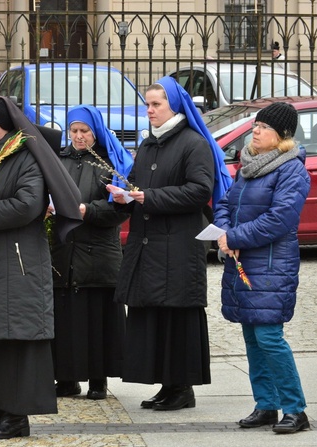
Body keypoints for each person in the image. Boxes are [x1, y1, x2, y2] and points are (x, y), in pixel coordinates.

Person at [0, 96, 83, 439]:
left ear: (7, 128)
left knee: (15, 339)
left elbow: (27, 205)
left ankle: (16, 415)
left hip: (18, 260)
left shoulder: (27, 156)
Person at [108, 76, 232, 411]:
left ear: (174, 106)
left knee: (177, 318)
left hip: (178, 246)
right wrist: (125, 195)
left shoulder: (193, 143)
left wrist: (149, 197)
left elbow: (199, 191)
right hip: (149, 246)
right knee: (155, 316)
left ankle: (182, 387)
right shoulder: (149, 144)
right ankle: (166, 384)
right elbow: (138, 183)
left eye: (155, 104)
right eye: (146, 104)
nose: (148, 110)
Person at [214, 102, 311, 434]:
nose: (255, 130)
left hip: (272, 265)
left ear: (281, 136)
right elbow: (225, 203)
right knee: (252, 337)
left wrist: (236, 235)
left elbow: (280, 219)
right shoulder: (248, 166)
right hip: (244, 261)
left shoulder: (291, 170)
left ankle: (295, 409)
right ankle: (266, 405)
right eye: (256, 125)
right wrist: (226, 232)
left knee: (269, 337)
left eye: (264, 127)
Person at [50, 105, 132, 400]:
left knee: (98, 319)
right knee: (66, 318)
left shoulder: (110, 162)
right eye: (74, 131)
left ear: (95, 132)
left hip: (97, 251)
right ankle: (66, 378)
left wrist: (88, 210)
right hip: (64, 249)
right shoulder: (59, 159)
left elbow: (121, 207)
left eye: (84, 131)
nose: (78, 136)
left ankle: (98, 379)